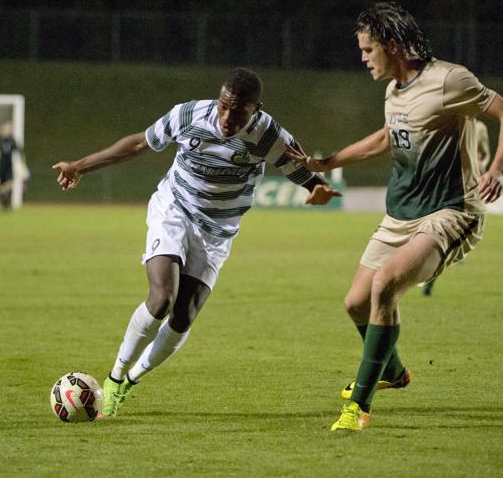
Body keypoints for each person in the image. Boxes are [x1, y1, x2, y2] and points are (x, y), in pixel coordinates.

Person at [287, 2, 503, 431]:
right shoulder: (393, 90)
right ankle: (394, 374)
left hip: (451, 211)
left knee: (385, 285)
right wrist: (327, 162)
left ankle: (357, 407)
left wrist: (499, 168)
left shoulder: (450, 80)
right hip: (400, 215)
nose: (362, 58)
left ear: (392, 45)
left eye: (367, 50)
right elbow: (385, 139)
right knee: (355, 302)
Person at [52, 67, 341, 418]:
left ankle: (130, 380)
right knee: (162, 299)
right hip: (174, 209)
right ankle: (113, 378)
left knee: (183, 317)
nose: (227, 117)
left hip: (217, 231)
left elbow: (295, 167)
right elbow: (140, 143)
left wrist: (316, 188)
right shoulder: (189, 114)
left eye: (239, 112)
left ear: (256, 109)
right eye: (223, 106)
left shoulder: (269, 135)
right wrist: (80, 166)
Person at [422, 119, 491, 296]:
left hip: (470, 186)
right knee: (440, 235)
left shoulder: (480, 128)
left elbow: (485, 154)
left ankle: (448, 258)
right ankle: (432, 275)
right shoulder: (447, 125)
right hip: (447, 186)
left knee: (451, 234)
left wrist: (483, 164)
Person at [0, 120, 22, 211]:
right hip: (0, 166)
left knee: (10, 184)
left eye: (10, 128)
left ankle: (5, 201)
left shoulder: (12, 140)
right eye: (7, 128)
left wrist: (21, 166)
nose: (9, 130)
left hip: (9, 166)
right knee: (2, 186)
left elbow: (18, 152)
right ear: (2, 129)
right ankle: (4, 204)